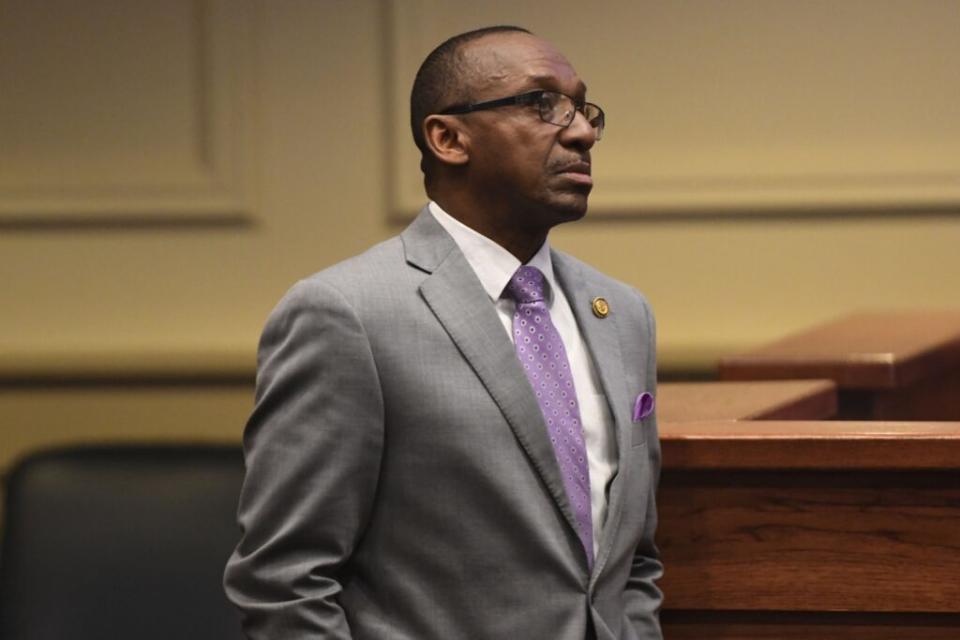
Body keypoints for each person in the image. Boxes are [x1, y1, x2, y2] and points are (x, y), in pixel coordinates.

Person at [224, 25, 663, 640]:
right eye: (542, 104)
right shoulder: (346, 314)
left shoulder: (621, 313)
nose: (583, 131)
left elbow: (633, 563)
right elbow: (283, 581)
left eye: (583, 108)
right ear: (449, 138)